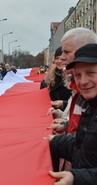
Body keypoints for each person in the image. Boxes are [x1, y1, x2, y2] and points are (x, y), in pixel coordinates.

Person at [49, 43, 97, 185]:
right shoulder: (91, 106)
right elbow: (85, 145)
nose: (83, 81)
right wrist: (54, 142)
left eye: (90, 73)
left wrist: (76, 178)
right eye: (78, 75)